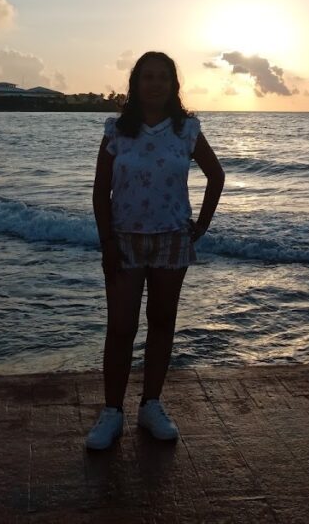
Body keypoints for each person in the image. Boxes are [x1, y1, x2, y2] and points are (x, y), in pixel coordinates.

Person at [85, 51, 225, 450]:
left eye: (163, 77)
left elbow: (216, 176)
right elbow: (100, 191)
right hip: (124, 241)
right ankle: (112, 411)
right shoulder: (117, 130)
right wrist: (107, 243)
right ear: (135, 83)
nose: (155, 83)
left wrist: (201, 226)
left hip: (171, 240)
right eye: (148, 76)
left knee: (162, 322)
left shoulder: (186, 130)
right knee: (121, 327)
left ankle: (151, 405)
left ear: (173, 84)